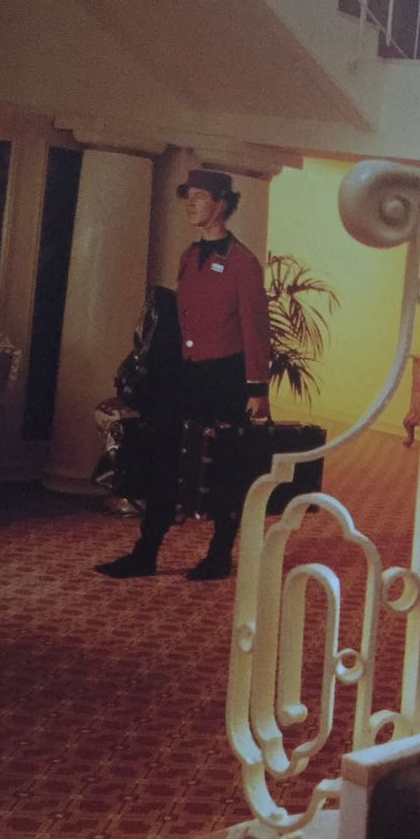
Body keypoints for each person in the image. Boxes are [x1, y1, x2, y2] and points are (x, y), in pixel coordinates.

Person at [95, 169, 271, 581]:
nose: (190, 204)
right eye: (188, 196)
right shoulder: (190, 256)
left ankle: (218, 555)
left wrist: (257, 388)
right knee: (165, 460)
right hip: (185, 376)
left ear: (222, 204)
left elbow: (255, 330)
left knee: (225, 465)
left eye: (199, 197)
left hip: (224, 377)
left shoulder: (243, 264)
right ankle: (145, 554)